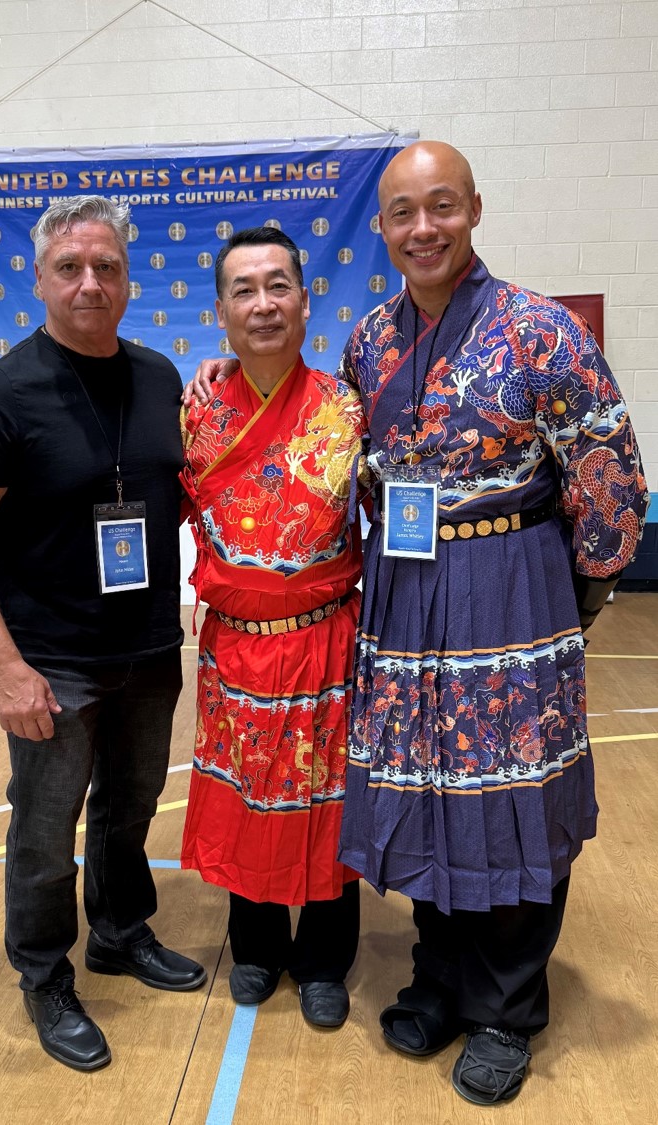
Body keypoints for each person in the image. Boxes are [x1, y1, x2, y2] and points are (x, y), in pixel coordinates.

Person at [185, 142, 649, 1103]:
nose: (423, 227)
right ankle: (439, 976)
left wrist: (578, 598)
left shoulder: (541, 331)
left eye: (442, 206)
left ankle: (506, 1007)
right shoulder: (370, 342)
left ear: (474, 208)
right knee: (428, 784)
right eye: (403, 212)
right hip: (405, 593)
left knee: (511, 789)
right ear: (383, 227)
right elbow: (338, 464)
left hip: (513, 589)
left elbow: (609, 475)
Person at [0, 195, 206, 1073]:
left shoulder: (158, 377)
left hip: (148, 648)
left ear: (128, 279)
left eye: (106, 267)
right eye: (70, 268)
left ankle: (119, 932)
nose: (90, 283)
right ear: (39, 279)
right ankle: (45, 975)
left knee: (131, 809)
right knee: (46, 833)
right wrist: (6, 670)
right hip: (51, 660)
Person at [179, 226, 366, 1028]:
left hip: (325, 640)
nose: (263, 304)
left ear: (305, 300)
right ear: (222, 311)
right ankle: (254, 944)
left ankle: (324, 956)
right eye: (244, 290)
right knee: (246, 796)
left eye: (278, 285)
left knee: (328, 800)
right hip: (235, 646)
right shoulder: (194, 411)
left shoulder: (348, 408)